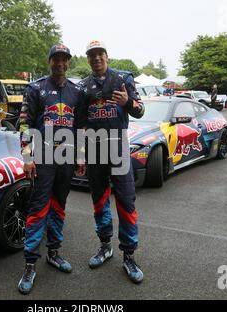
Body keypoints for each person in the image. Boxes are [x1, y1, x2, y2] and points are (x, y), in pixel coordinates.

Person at [17, 44, 86, 295]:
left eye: (64, 59)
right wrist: (27, 156)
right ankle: (29, 263)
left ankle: (54, 253)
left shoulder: (76, 91)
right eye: (55, 59)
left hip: (66, 156)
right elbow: (24, 124)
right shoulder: (35, 88)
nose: (60, 63)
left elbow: (80, 128)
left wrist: (80, 155)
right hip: (43, 156)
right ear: (49, 62)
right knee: (38, 208)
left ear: (68, 62)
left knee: (59, 206)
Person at [79, 40, 145, 284]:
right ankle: (105, 245)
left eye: (100, 54)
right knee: (99, 199)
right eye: (92, 55)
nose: (96, 58)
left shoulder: (122, 79)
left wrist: (127, 102)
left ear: (107, 56)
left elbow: (140, 110)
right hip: (95, 149)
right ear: (88, 59)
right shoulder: (83, 86)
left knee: (126, 200)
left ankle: (129, 255)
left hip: (118, 146)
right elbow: (81, 122)